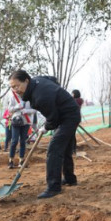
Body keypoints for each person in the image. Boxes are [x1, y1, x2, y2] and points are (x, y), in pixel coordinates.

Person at [9, 70, 81, 199]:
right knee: (63, 149)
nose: (16, 90)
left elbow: (52, 118)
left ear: (26, 80)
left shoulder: (40, 96)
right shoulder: (37, 81)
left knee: (54, 150)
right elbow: (52, 79)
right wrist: (57, 93)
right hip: (66, 113)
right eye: (12, 88)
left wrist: (46, 127)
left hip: (68, 117)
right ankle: (70, 179)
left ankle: (53, 187)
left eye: (17, 86)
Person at [6, 90, 36, 169]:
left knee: (23, 141)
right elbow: (9, 109)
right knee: (14, 141)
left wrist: (27, 111)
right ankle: (10, 161)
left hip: (26, 122)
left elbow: (35, 109)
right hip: (16, 121)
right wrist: (17, 106)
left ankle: (21, 161)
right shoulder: (13, 97)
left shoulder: (30, 97)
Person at [71, 89, 84, 154]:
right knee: (72, 134)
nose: (71, 95)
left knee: (71, 135)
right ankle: (73, 149)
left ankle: (73, 149)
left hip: (73, 119)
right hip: (76, 119)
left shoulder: (76, 101)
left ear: (75, 94)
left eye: (72, 93)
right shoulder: (78, 100)